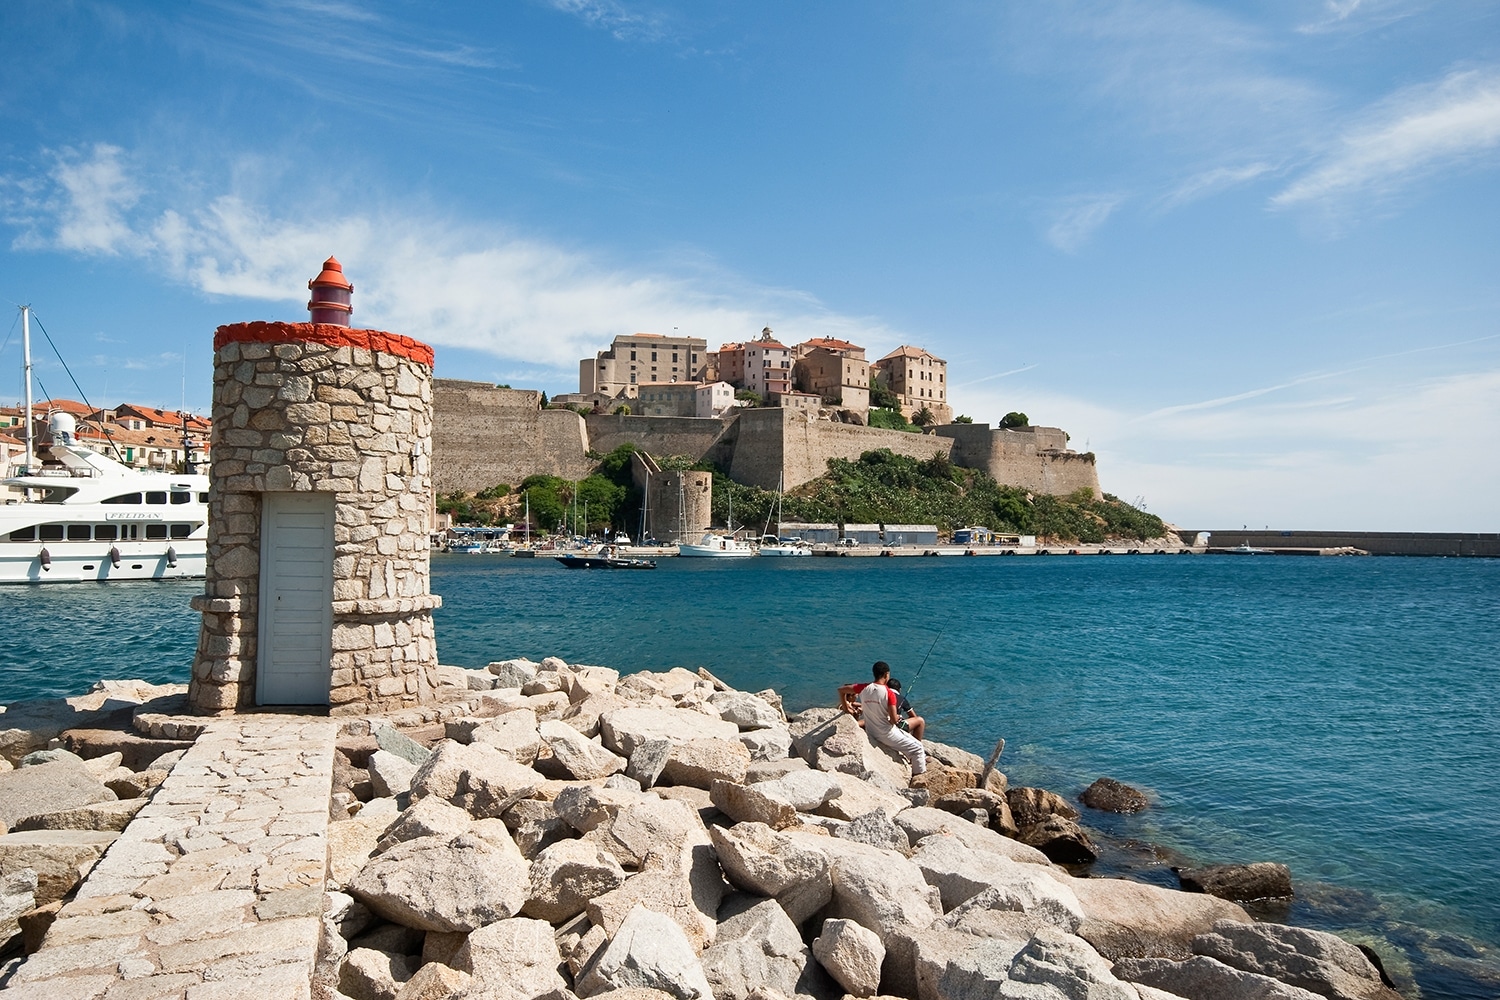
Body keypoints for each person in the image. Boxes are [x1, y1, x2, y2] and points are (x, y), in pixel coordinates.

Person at [837, 661, 926, 778]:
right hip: (886, 734)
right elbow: (894, 720)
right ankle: (918, 778)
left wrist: (845, 707)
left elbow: (841, 690)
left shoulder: (863, 688)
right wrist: (896, 718)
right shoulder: (889, 693)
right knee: (918, 748)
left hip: (871, 731)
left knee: (913, 745)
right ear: (886, 675)